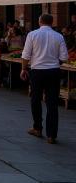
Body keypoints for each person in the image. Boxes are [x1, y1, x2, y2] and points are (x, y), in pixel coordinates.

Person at [20, 13, 69, 144]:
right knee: (52, 102)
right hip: (53, 71)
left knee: (35, 99)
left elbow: (26, 54)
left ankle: (37, 128)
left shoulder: (32, 35)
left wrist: (24, 69)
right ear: (52, 23)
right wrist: (55, 63)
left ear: (39, 21)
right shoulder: (59, 36)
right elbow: (64, 57)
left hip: (37, 71)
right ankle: (51, 135)